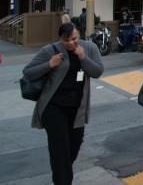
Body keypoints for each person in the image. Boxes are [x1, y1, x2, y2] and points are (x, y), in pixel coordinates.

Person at [23, 22, 104, 185]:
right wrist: (49, 64)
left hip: (77, 110)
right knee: (60, 150)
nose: (71, 43)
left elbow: (97, 72)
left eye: (74, 39)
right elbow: (28, 73)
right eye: (66, 40)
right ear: (61, 38)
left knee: (73, 146)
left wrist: (83, 58)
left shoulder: (89, 48)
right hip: (53, 108)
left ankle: (61, 174)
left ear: (79, 36)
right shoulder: (50, 50)